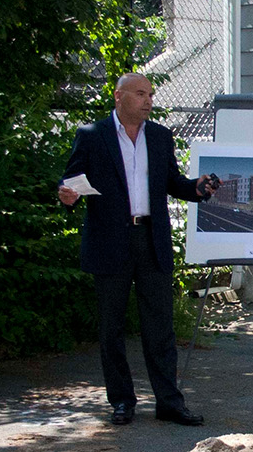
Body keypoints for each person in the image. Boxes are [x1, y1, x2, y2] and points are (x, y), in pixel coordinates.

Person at [58, 73, 217, 426]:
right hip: (109, 241)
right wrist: (66, 194)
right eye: (140, 94)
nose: (148, 101)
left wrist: (197, 188)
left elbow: (172, 182)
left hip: (151, 239)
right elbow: (69, 181)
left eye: (150, 94)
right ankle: (122, 402)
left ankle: (169, 403)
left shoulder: (160, 136)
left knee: (160, 327)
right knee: (111, 328)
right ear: (119, 97)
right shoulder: (92, 136)